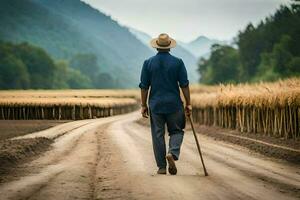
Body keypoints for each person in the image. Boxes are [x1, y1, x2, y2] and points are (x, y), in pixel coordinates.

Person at [139, 33, 192, 175]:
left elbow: (144, 86)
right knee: (176, 131)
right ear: (170, 47)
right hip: (174, 104)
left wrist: (143, 105)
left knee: (157, 135)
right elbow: (184, 84)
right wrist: (188, 103)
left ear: (156, 46)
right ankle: (172, 152)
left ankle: (162, 167)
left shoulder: (148, 63)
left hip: (156, 105)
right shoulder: (178, 62)